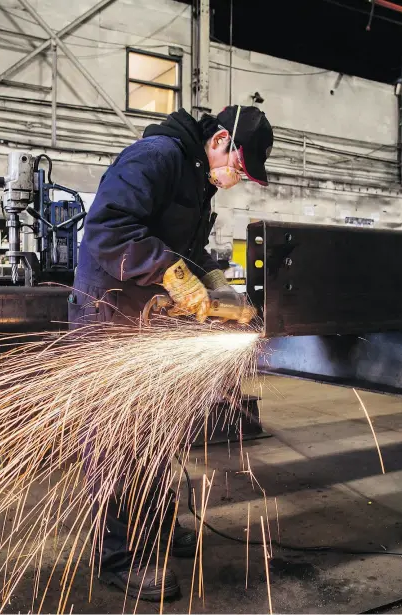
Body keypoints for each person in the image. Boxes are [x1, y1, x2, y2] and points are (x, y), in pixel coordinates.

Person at [69, 104, 273, 600]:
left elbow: (189, 250)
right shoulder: (156, 156)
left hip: (149, 320)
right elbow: (106, 231)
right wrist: (170, 272)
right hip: (110, 318)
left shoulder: (199, 181)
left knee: (159, 429)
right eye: (238, 169)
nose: (234, 181)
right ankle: (121, 557)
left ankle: (155, 530)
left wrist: (212, 280)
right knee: (121, 442)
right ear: (221, 139)